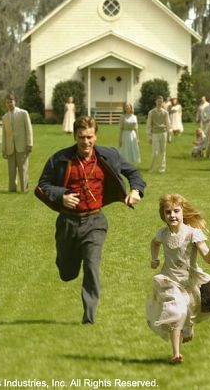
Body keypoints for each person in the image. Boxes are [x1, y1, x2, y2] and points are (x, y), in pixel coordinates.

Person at [37, 115, 145, 324]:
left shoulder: (109, 156)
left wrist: (136, 191)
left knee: (92, 265)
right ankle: (67, 264)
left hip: (95, 222)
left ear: (95, 136)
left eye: (89, 137)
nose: (85, 142)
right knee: (67, 273)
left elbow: (133, 172)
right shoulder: (60, 159)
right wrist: (61, 196)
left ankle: (89, 317)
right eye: (81, 138)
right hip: (68, 222)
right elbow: (43, 185)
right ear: (75, 137)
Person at [147, 193, 210, 364]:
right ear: (163, 215)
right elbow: (154, 243)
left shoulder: (192, 234)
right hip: (168, 280)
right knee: (176, 311)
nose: (172, 215)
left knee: (187, 309)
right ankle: (176, 354)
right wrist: (154, 258)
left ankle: (187, 327)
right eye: (168, 212)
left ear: (183, 213)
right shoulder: (162, 233)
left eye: (176, 211)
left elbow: (208, 259)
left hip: (188, 281)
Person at [2, 93, 33, 193]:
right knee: (11, 170)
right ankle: (12, 189)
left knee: (23, 169)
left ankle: (24, 189)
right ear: (5, 104)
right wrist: (4, 149)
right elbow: (4, 135)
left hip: (22, 146)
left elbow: (29, 130)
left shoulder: (23, 113)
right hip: (10, 147)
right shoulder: (5, 117)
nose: (9, 104)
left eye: (11, 101)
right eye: (7, 102)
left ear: (15, 101)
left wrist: (29, 144)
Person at [147, 96, 172, 173]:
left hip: (163, 133)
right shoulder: (151, 112)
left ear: (162, 102)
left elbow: (168, 124)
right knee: (155, 152)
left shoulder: (165, 113)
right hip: (155, 133)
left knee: (163, 151)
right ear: (155, 102)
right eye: (158, 101)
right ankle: (152, 168)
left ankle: (162, 168)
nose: (159, 103)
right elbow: (148, 125)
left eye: (161, 101)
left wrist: (169, 136)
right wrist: (149, 136)